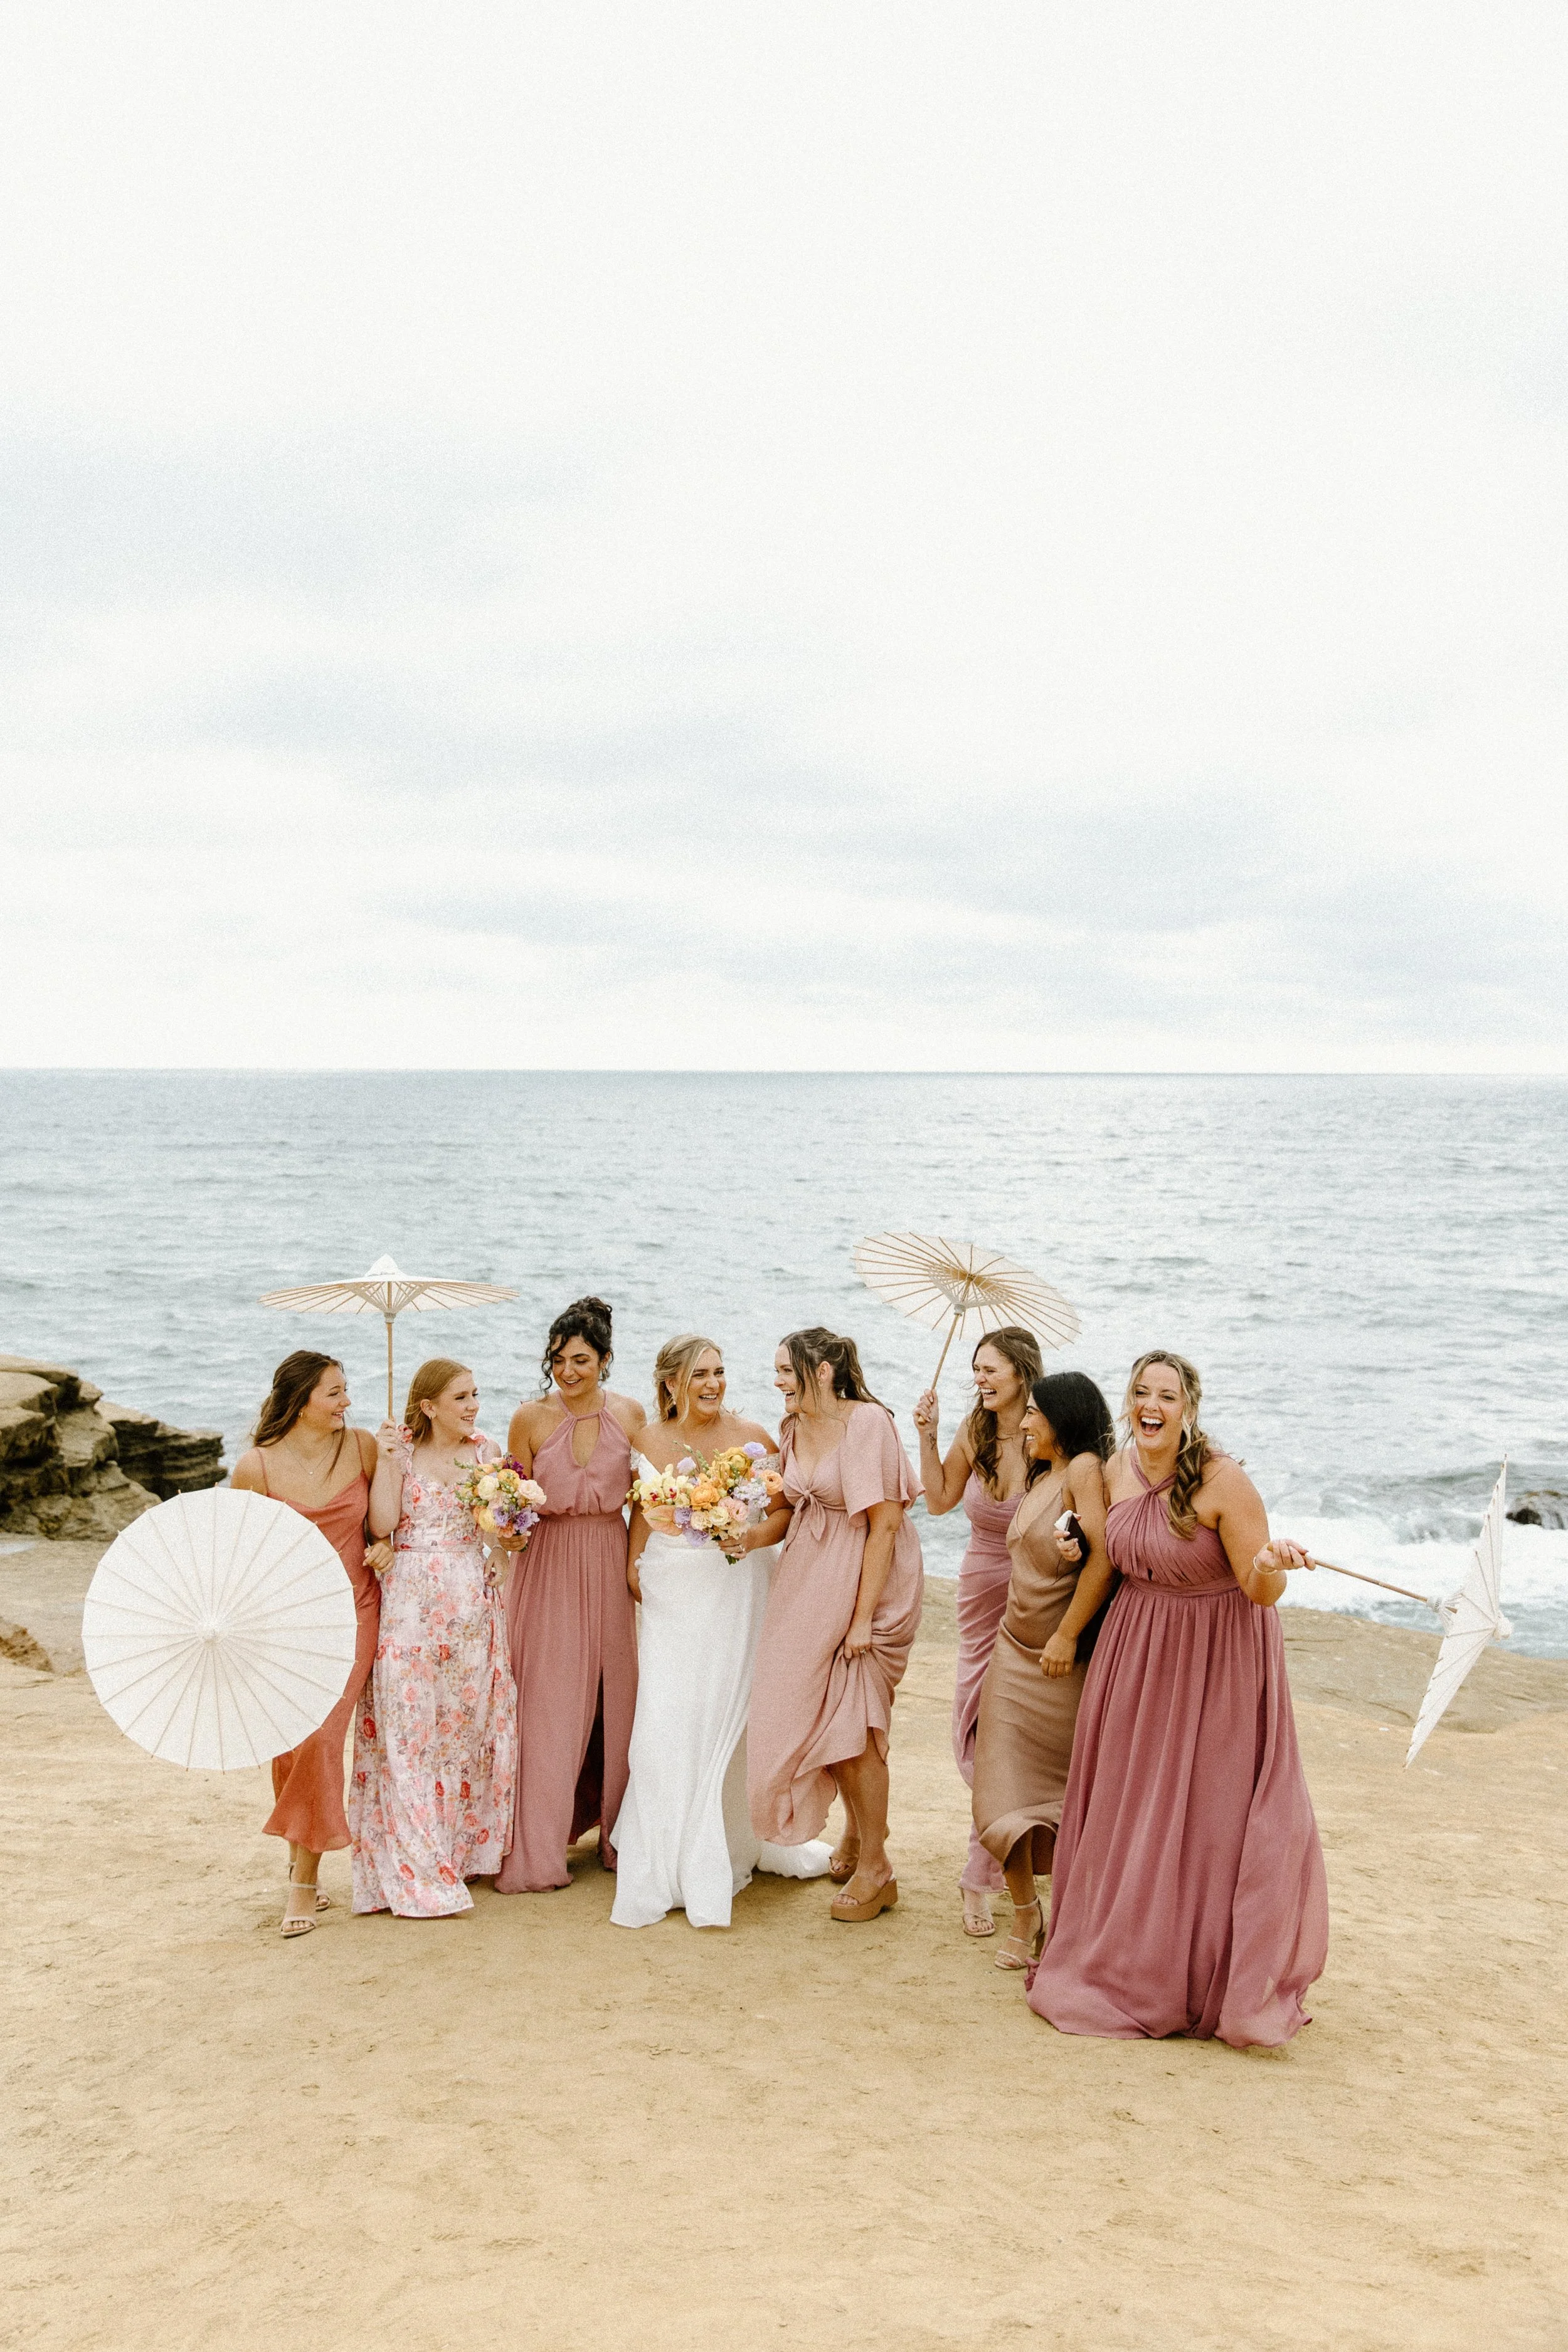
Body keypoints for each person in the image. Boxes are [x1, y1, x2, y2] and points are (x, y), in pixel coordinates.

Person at [1027, 1350, 1330, 2047]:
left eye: (1165, 1394)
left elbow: (1262, 1593)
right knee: (1131, 1809)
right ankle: (1124, 1959)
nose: (1150, 1404)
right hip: (1135, 1655)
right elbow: (1111, 1554)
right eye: (1140, 1392)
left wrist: (1264, 1563)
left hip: (1219, 1657)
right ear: (1128, 1403)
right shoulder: (1112, 1471)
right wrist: (1074, 1547)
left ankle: (1202, 1978)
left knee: (1208, 1814)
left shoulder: (1226, 1482)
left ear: (1187, 1408)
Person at [612, 1335, 832, 1929]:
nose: (713, 1384)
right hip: (671, 1590)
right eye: (700, 1375)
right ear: (671, 1384)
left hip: (738, 1586)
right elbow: (643, 1511)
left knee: (729, 1710)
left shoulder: (756, 1437)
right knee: (667, 1714)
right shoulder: (649, 1440)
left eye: (719, 1372)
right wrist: (633, 1568)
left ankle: (731, 1840)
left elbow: (786, 1512)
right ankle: (665, 1852)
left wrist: (751, 1537)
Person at [747, 1327, 924, 1923]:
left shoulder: (868, 1423)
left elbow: (886, 1525)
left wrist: (862, 1619)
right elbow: (786, 1511)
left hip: (863, 1581)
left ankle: (877, 1867)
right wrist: (738, 1537)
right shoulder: (792, 1428)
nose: (776, 1382)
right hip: (804, 1581)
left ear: (821, 1371)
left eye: (784, 1370)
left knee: (854, 1723)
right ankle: (857, 1835)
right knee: (796, 1709)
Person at [348, 1359, 517, 1918]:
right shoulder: (401, 1452)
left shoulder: (487, 1452)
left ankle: (460, 1850)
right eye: (460, 1398)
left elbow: (503, 1529)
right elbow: (380, 1526)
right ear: (428, 1406)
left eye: (475, 1394)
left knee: (464, 1727)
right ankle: (415, 1864)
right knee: (410, 1728)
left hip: (471, 1602)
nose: (473, 1406)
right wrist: (391, 1463)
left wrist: (503, 1545)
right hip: (412, 1604)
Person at [231, 1352, 389, 1938]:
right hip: (287, 1623)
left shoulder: (365, 1448)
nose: (347, 1402)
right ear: (300, 1401)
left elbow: (385, 1522)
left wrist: (388, 1545)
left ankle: (304, 1879)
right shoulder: (256, 1467)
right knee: (289, 1744)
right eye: (334, 1393)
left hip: (354, 1613)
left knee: (323, 1736)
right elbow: (238, 1551)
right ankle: (300, 1854)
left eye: (346, 1390)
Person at [495, 1296, 647, 1893]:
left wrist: (636, 1566)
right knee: (548, 1706)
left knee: (618, 1704)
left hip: (610, 1563)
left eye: (581, 1359)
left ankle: (618, 1837)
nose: (568, 1370)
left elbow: (650, 1502)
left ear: (605, 1359)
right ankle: (537, 1849)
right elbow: (510, 1506)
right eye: (558, 1359)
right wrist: (502, 1525)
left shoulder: (632, 1416)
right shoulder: (529, 1418)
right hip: (546, 1567)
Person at [970, 1371, 1114, 1971]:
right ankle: (1026, 1909)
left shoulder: (1082, 1468)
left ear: (1063, 1417)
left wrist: (1066, 1634)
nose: (1024, 1423)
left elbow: (1104, 1559)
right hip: (1011, 1651)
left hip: (1059, 1664)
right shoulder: (1042, 1474)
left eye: (1033, 1414)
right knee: (995, 1792)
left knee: (1062, 1796)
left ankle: (1075, 1921)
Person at [913, 1327, 1044, 1939]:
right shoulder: (976, 1430)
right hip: (979, 1588)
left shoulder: (1048, 1437)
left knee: (1011, 1737)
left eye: (990, 1369)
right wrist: (926, 1433)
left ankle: (978, 1876)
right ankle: (992, 1862)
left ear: (1021, 1370)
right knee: (975, 1731)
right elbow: (937, 1499)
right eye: (975, 1370)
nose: (980, 1380)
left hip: (1036, 1595)